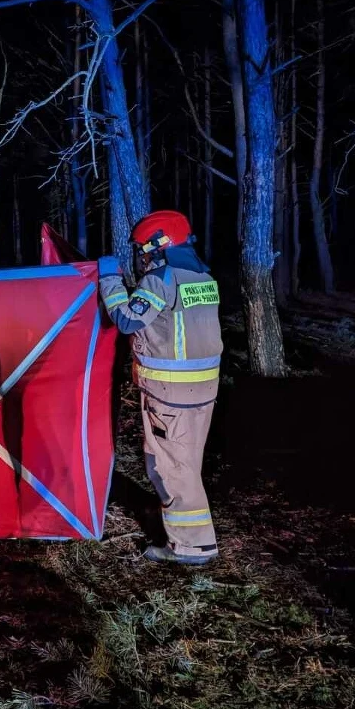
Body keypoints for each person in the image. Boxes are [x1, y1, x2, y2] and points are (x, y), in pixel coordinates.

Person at [97, 210, 222, 565]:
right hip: (202, 390)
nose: (141, 255)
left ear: (157, 246)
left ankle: (192, 545)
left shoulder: (160, 279)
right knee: (187, 463)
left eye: (142, 249)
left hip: (171, 393)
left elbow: (126, 319)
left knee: (170, 468)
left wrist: (110, 280)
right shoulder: (202, 277)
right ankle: (185, 530)